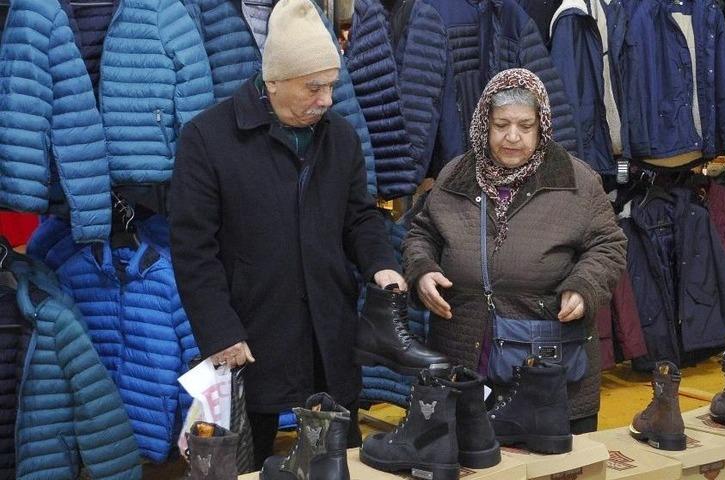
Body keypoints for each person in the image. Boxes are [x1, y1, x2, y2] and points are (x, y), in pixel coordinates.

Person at [169, 0, 404, 467]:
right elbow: (194, 249)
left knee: (337, 461)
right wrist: (219, 332)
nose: (327, 100)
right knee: (244, 461)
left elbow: (359, 217)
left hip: (328, 328)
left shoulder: (341, 138)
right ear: (273, 81)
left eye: (331, 86)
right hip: (250, 334)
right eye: (313, 88)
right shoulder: (208, 139)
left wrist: (382, 266)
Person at [403, 68, 627, 433]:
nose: (512, 137)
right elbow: (421, 232)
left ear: (542, 127)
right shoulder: (455, 176)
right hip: (464, 358)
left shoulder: (577, 181)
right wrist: (422, 269)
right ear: (483, 124)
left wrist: (584, 285)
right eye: (501, 124)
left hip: (547, 363)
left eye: (525, 126)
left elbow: (609, 244)